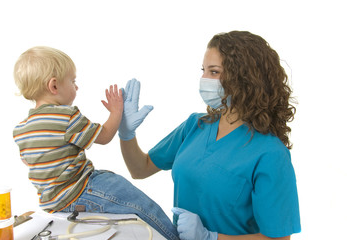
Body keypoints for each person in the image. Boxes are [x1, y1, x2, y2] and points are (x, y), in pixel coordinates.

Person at [119, 31, 301, 240]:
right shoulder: (196, 126)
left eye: (214, 72)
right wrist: (126, 133)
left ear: (245, 78)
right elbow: (140, 168)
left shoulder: (270, 154)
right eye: (203, 71)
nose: (204, 79)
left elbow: (279, 239)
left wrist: (211, 238)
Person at [12, 46, 179, 240]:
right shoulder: (66, 116)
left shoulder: (21, 129)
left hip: (52, 203)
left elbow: (30, 161)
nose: (77, 87)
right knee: (140, 204)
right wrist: (116, 112)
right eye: (73, 81)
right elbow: (105, 135)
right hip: (80, 189)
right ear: (54, 86)